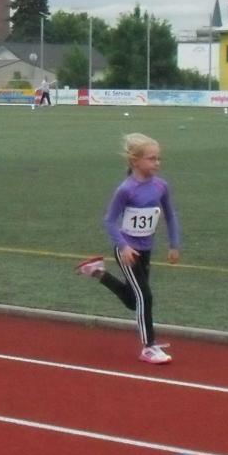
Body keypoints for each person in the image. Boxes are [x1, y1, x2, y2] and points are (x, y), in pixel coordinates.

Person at [76, 133, 180, 364]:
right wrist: (123, 246)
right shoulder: (126, 189)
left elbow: (171, 215)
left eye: (159, 158)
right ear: (135, 161)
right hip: (127, 252)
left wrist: (174, 244)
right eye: (151, 159)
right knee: (145, 297)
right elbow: (109, 220)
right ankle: (148, 347)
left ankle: (96, 271)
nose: (157, 163)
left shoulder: (161, 186)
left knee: (135, 301)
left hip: (145, 250)